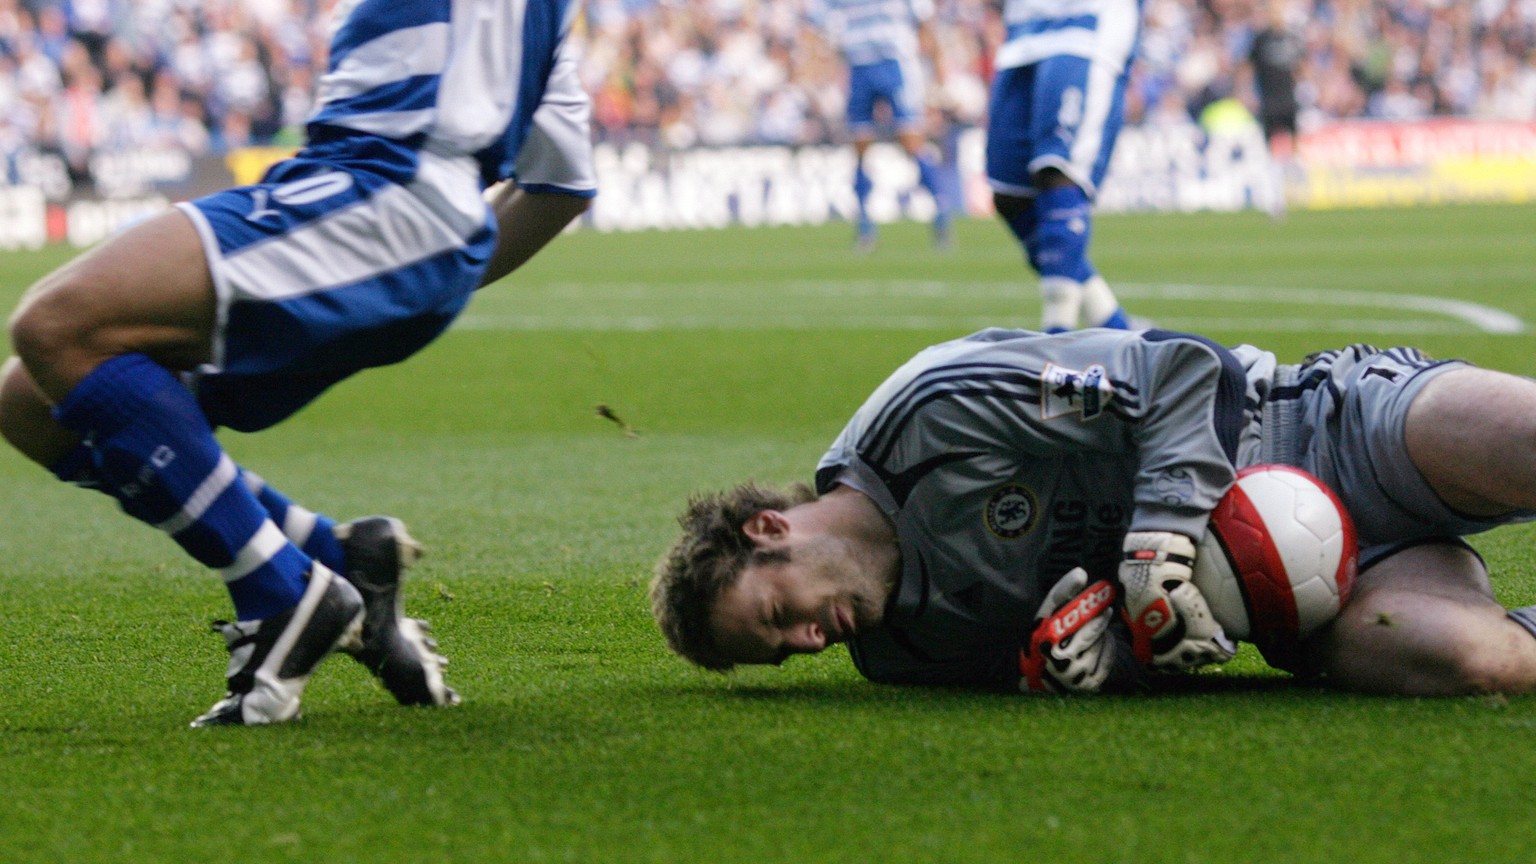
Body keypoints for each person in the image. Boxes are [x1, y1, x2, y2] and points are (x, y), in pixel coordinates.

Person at [0, 0, 596, 726]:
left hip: (377, 201)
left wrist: (410, 256)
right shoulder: (543, 23)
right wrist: (426, 273)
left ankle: (284, 591)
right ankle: (340, 556)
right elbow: (561, 183)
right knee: (33, 404)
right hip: (379, 228)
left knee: (58, 326)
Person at [652, 327, 1536, 697]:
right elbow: (1131, 647)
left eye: (776, 616)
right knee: (1472, 659)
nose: (809, 644)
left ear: (770, 530)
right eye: (779, 655)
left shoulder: (928, 413)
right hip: (1302, 594)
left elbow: (1186, 373)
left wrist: (1160, 536)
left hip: (1320, 426)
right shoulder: (908, 654)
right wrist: (1114, 662)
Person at [985, 0, 1139, 331]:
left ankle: (1056, 341)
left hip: (1086, 22)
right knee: (1010, 196)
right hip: (1023, 31)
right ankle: (1119, 330)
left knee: (1057, 170)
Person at [807, 0, 952, 251]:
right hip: (859, 65)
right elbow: (817, 21)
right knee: (861, 148)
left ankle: (940, 210)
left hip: (894, 62)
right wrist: (823, 60)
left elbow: (924, 20)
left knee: (911, 141)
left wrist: (937, 66)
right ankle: (865, 224)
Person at [1246, 0, 1304, 218]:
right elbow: (1248, 67)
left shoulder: (1291, 38)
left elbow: (1301, 67)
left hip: (1289, 100)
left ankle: (1295, 190)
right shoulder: (1261, 40)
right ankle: (1275, 199)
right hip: (1269, 101)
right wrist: (1249, 93)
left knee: (1293, 149)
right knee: (1271, 153)